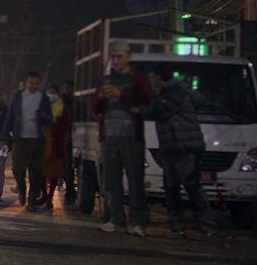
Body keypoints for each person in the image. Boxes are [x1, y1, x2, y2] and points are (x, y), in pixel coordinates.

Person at [142, 69, 217, 240]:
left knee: (192, 187)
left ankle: (208, 227)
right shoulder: (170, 92)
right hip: (172, 148)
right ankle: (178, 228)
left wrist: (137, 109)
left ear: (159, 77)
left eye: (153, 76)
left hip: (184, 149)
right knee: (172, 189)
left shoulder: (175, 93)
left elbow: (160, 111)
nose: (152, 80)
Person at [91, 45, 152, 235]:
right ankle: (117, 219)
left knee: (135, 180)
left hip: (131, 136)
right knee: (111, 180)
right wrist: (100, 97)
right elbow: (95, 109)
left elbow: (146, 101)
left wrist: (122, 95)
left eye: (120, 56)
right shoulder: (106, 79)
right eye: (113, 56)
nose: (116, 60)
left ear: (129, 57)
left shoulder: (139, 77)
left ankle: (139, 222)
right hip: (109, 137)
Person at [0, 72, 53, 212]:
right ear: (27, 83)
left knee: (36, 172)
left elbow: (50, 119)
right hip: (19, 139)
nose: (34, 86)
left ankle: (32, 201)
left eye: (36, 83)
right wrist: (4, 138)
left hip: (37, 140)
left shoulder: (43, 98)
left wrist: (44, 117)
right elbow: (9, 118)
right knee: (18, 169)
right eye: (31, 83)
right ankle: (22, 188)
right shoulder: (18, 97)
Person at [40, 83, 71, 209]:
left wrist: (53, 125)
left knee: (53, 172)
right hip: (43, 142)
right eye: (49, 92)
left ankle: (50, 198)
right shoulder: (42, 108)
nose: (51, 95)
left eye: (54, 92)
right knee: (42, 171)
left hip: (57, 143)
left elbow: (67, 126)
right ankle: (44, 194)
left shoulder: (64, 109)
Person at [61, 79, 78, 205]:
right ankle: (70, 191)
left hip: (74, 138)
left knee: (69, 167)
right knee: (65, 167)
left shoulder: (76, 104)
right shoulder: (61, 103)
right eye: (65, 87)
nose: (67, 90)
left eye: (69, 87)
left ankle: (70, 191)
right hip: (64, 138)